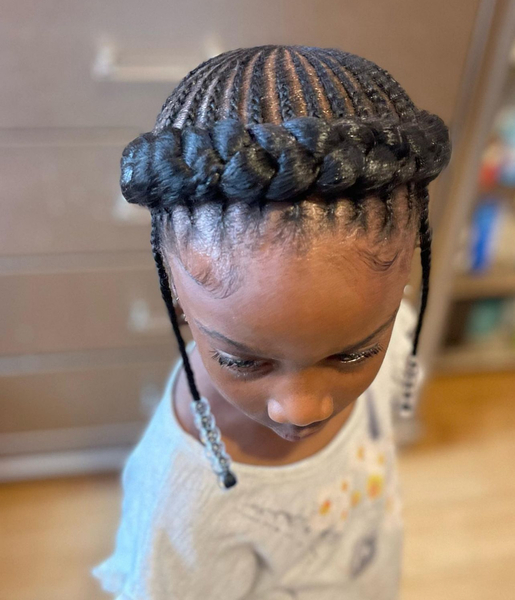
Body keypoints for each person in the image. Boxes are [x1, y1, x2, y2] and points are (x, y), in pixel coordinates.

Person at [92, 44, 451, 599]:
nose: (302, 409)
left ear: (404, 276)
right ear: (177, 290)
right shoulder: (180, 507)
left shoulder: (394, 332)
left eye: (353, 355)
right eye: (243, 361)